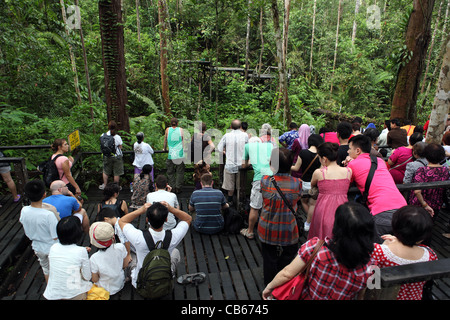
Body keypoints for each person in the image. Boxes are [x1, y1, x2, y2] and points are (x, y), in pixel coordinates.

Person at [262, 202, 375, 300]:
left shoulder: (315, 248)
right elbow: (363, 295)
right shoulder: (372, 266)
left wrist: (269, 287)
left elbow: (287, 273)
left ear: (337, 227)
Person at [346, 134, 407, 242]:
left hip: (382, 212)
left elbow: (345, 184)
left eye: (349, 149)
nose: (348, 152)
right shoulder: (379, 161)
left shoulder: (352, 165)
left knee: (377, 248)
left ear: (358, 151)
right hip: (403, 208)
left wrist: (348, 164)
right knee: (399, 244)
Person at [119, 201, 192, 290]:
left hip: (141, 284)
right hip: (164, 283)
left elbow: (122, 221)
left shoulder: (138, 237)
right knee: (175, 252)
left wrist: (140, 210)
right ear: (166, 220)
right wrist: (171, 209)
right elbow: (188, 218)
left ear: (147, 220)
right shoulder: (173, 237)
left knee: (131, 255)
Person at [371, 205, 437, 300]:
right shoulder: (430, 255)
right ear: (423, 237)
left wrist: (385, 245)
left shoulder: (378, 251)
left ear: (394, 224)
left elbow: (372, 282)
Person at [258, 148, 302, 285]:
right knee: (290, 252)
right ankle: (282, 278)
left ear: (272, 164)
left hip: (267, 227)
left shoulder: (265, 181)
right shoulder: (297, 183)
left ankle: (269, 284)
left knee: (269, 257)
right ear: (290, 165)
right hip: (289, 228)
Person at [308, 142, 352, 240]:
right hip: (343, 208)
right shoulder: (348, 171)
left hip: (323, 208)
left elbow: (312, 184)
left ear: (324, 158)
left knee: (321, 236)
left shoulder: (319, 173)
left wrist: (322, 166)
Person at [19, 179, 59, 283]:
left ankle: (50, 292)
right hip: (52, 246)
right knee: (57, 270)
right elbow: (55, 235)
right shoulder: (48, 215)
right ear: (44, 195)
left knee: (46, 269)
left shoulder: (24, 210)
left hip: (37, 246)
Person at [43, 216, 91, 300]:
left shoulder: (53, 247)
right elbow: (87, 277)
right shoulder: (81, 251)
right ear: (78, 233)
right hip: (73, 294)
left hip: (54, 294)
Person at [239, 136, 274, 239]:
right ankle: (268, 230)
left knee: (255, 206)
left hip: (260, 179)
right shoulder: (270, 145)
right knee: (269, 205)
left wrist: (250, 160)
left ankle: (249, 231)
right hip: (273, 178)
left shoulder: (247, 146)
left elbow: (243, 166)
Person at [291, 134, 324, 231]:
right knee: (313, 204)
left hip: (304, 182)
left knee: (303, 201)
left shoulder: (303, 153)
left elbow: (296, 168)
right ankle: (309, 222)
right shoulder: (321, 155)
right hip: (315, 184)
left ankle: (310, 220)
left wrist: (286, 164)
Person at [409, 143, 450, 218]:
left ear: (426, 156)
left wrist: (424, 204)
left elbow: (417, 191)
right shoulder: (446, 170)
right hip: (436, 203)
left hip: (420, 205)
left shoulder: (422, 170)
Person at [89, 221, 129, 296]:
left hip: (104, 289)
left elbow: (95, 279)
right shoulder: (120, 247)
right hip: (119, 284)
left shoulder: (94, 258)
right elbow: (125, 264)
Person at [217, 119, 249, 204]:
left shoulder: (226, 135)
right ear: (240, 127)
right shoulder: (245, 135)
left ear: (231, 127)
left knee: (230, 186)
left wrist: (225, 152)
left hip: (230, 164)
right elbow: (248, 148)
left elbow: (219, 148)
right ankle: (240, 202)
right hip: (241, 164)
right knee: (240, 186)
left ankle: (230, 201)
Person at [99, 120, 124, 190]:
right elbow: (120, 147)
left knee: (106, 171)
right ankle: (116, 187)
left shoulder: (103, 135)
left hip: (107, 155)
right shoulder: (117, 137)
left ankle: (105, 185)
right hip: (116, 156)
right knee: (116, 172)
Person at [163, 117, 185, 194]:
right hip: (180, 153)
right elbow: (183, 141)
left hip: (171, 154)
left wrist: (164, 148)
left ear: (170, 123)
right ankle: (178, 187)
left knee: (170, 172)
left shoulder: (167, 130)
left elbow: (165, 140)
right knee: (180, 172)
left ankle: (172, 187)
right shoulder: (181, 130)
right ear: (177, 123)